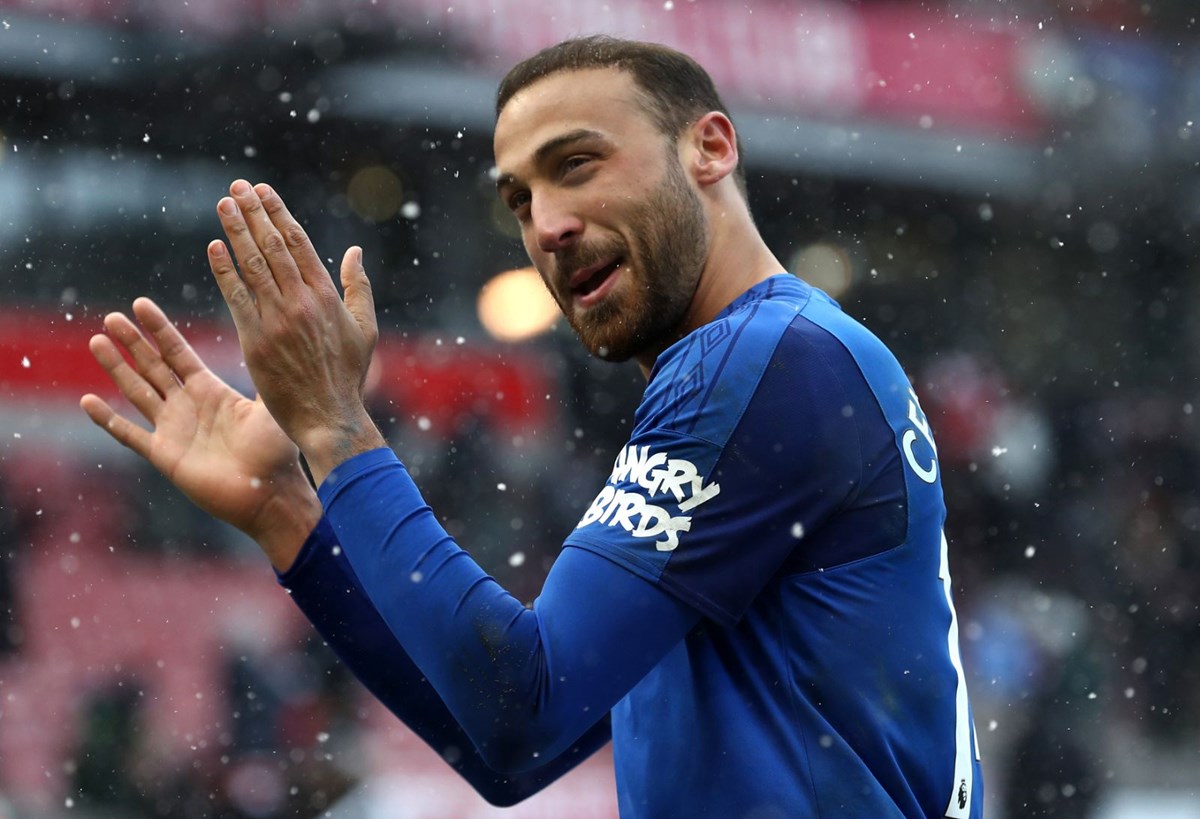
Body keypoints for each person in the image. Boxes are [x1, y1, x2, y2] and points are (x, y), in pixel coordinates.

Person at [80, 35, 984, 818]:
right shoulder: (778, 365)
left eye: (577, 164)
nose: (547, 225)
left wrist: (332, 424)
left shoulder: (760, 361)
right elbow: (508, 753)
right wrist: (289, 512)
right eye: (518, 201)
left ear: (709, 148)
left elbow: (521, 704)